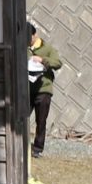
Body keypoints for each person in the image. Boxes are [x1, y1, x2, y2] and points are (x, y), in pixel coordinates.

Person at [26, 23, 61, 154]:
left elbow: (58, 63)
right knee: (22, 118)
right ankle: (22, 143)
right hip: (27, 89)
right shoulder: (24, 49)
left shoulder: (47, 48)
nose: (27, 42)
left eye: (29, 39)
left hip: (43, 90)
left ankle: (38, 148)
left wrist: (42, 60)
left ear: (35, 35)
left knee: (41, 120)